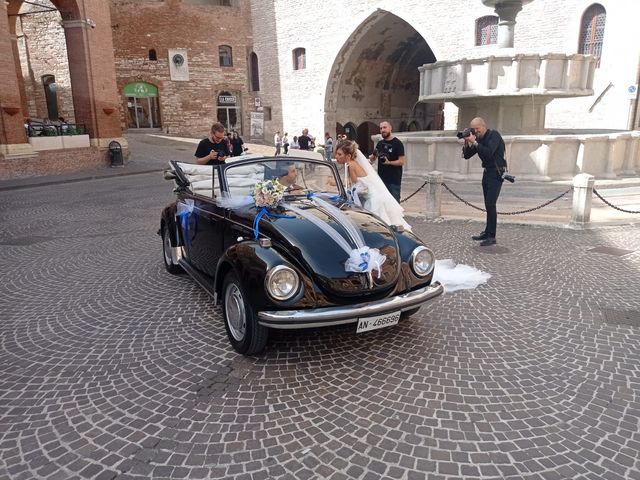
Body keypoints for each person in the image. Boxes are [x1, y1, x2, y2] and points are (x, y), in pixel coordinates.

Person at [334, 139, 411, 231]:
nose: (336, 157)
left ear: (348, 156)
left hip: (371, 197)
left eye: (339, 154)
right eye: (336, 154)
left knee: (377, 225)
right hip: (370, 193)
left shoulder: (350, 165)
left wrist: (335, 182)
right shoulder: (352, 163)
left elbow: (353, 182)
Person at [462, 117, 507, 246]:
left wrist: (475, 142)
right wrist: (467, 142)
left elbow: (488, 153)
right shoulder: (478, 139)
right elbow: (466, 155)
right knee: (488, 204)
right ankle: (487, 232)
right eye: (473, 129)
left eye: (477, 128)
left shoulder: (494, 135)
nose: (476, 131)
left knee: (491, 203)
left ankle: (492, 236)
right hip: (487, 172)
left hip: (497, 173)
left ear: (483, 126)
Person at [369, 121, 405, 202]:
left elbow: (401, 161)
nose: (382, 130)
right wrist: (372, 157)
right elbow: (373, 157)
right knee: (382, 203)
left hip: (393, 181)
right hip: (381, 180)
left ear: (390, 128)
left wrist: (389, 162)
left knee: (394, 204)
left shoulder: (398, 143)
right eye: (381, 128)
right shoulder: (380, 143)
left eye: (385, 127)